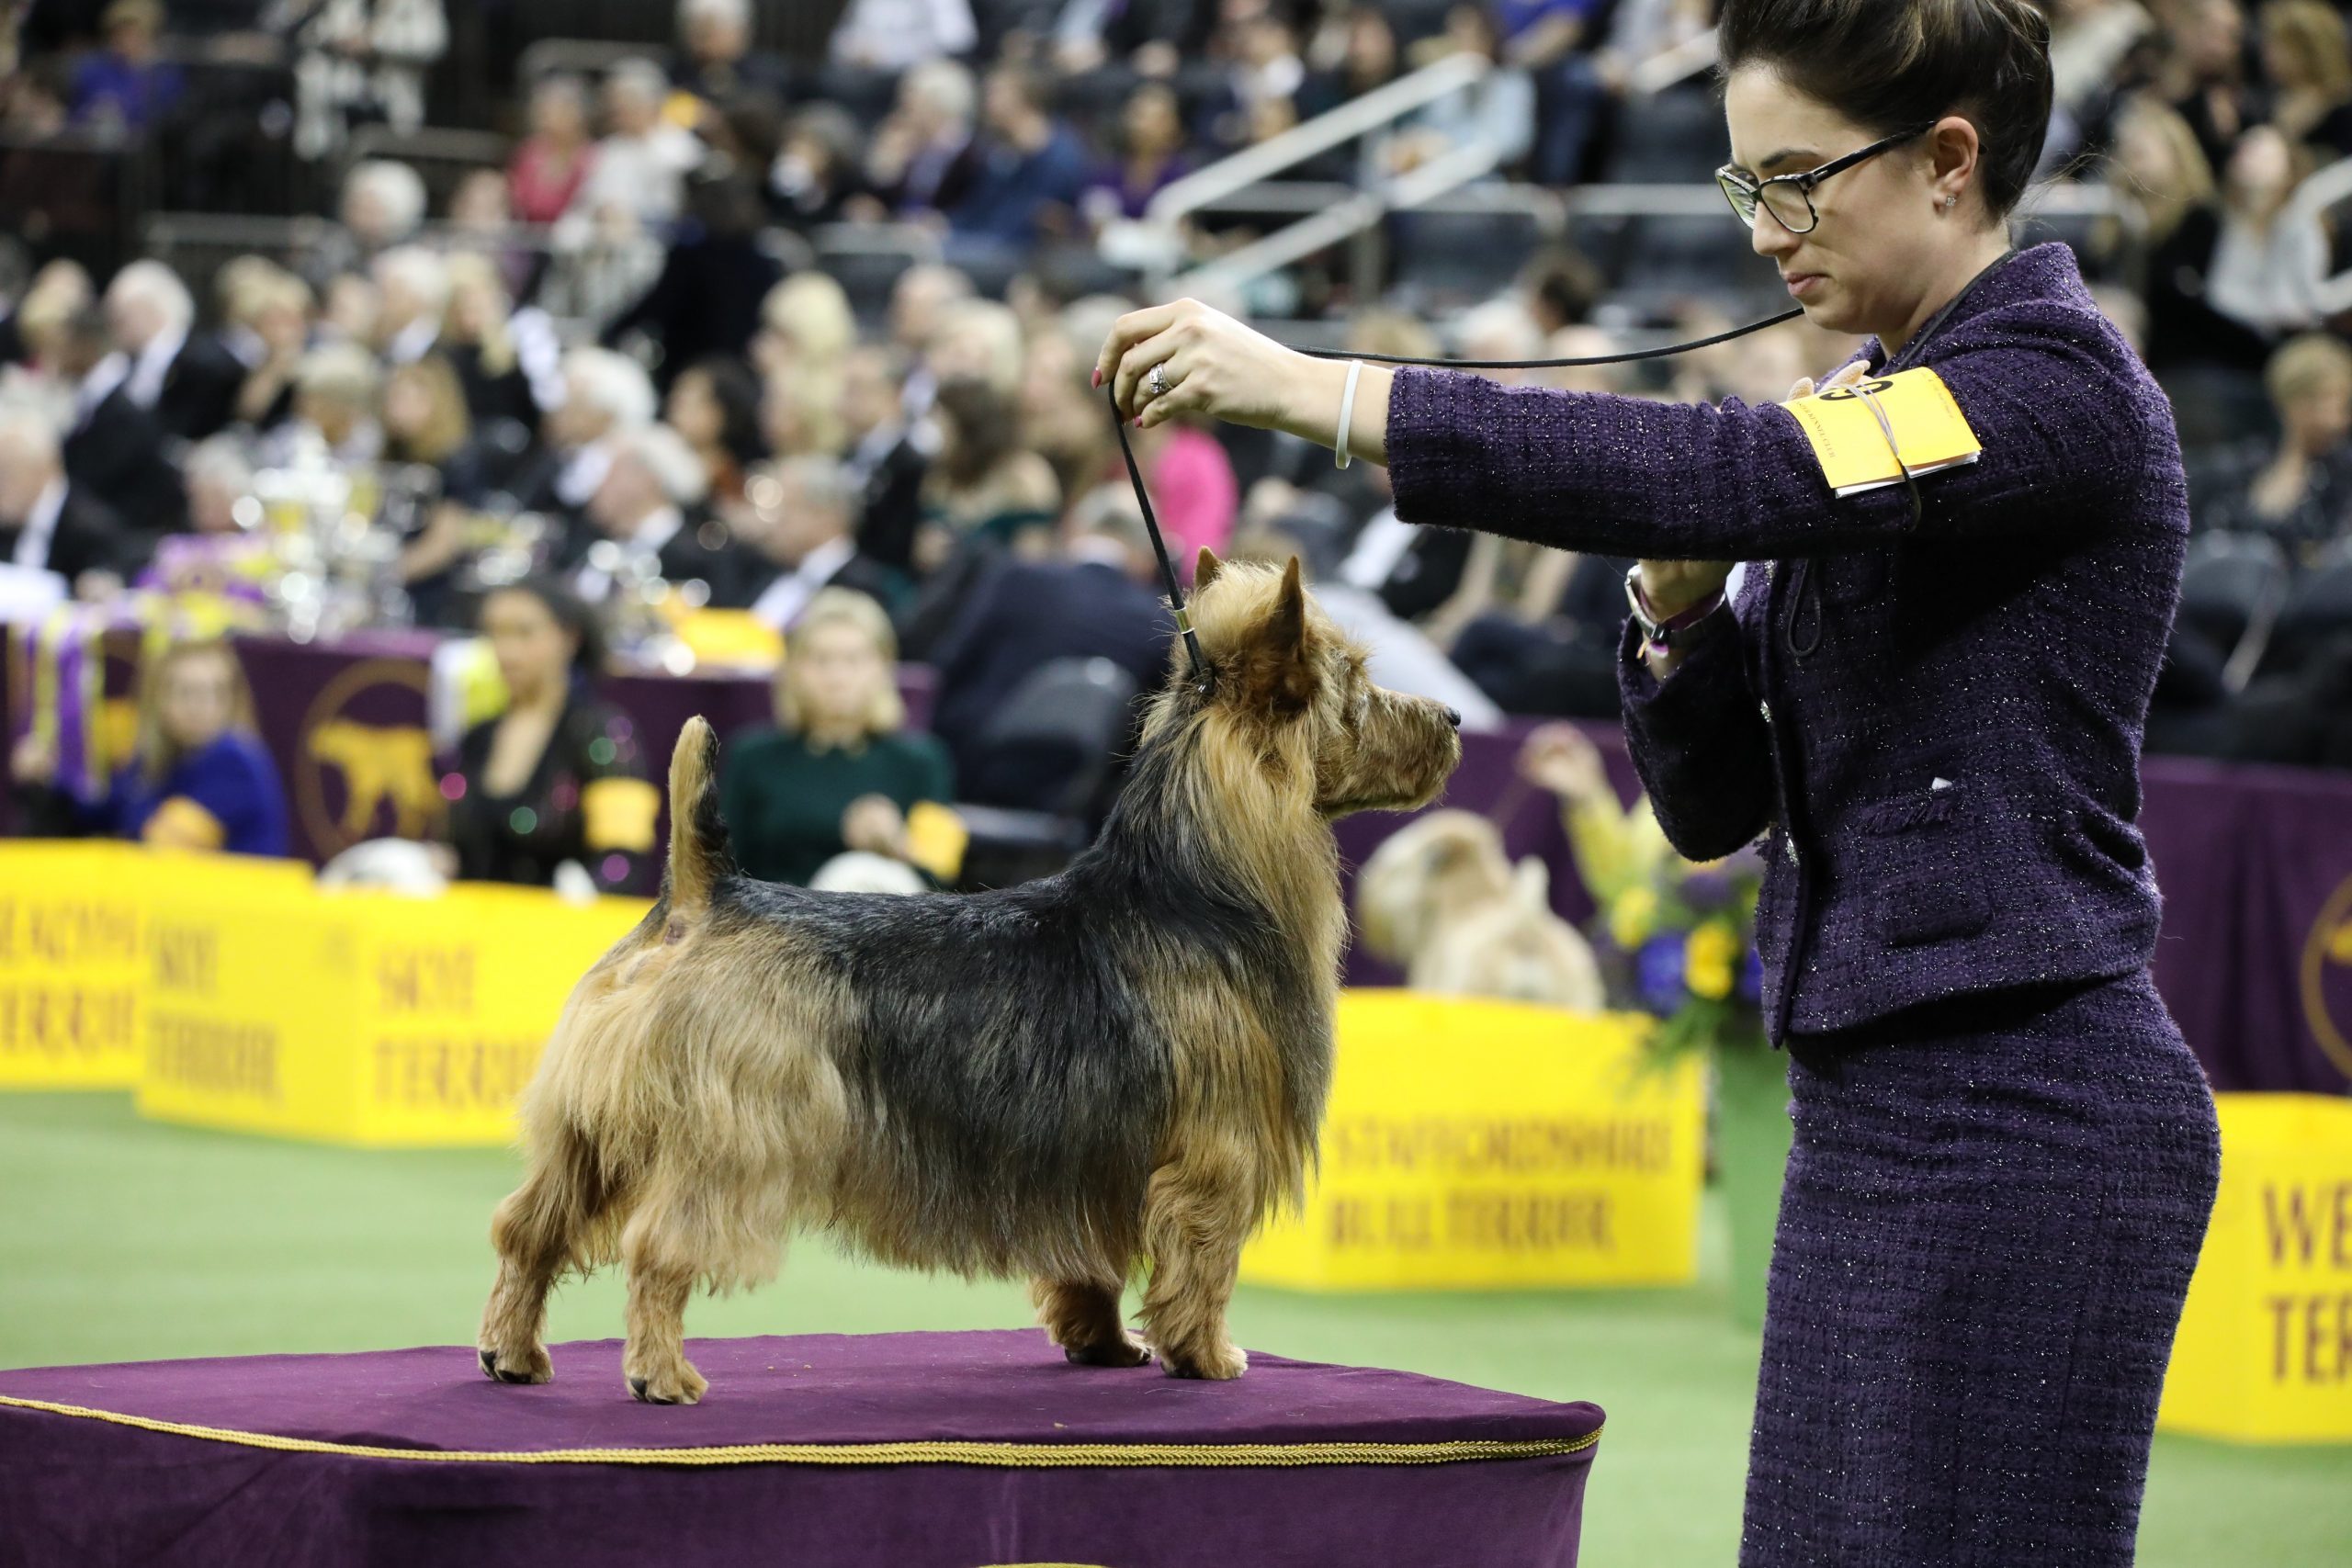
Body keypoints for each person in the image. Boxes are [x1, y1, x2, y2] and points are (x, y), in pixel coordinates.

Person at [1096, 3, 2221, 1561]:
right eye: (1745, 187)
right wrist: (1678, 613)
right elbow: (1709, 809)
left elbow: (1732, 473)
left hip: (2031, 1100)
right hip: (1871, 1100)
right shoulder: (1878, 405)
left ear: (1950, 160)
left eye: (1798, 180)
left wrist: (1324, 392)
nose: (1767, 232)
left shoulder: (2053, 384)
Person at [719, 587, 956, 887]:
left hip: (880, 923)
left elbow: (942, 878)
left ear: (884, 668)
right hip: (777, 922)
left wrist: (896, 843)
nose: (837, 677)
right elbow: (722, 872)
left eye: (854, 660)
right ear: (792, 670)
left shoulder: (922, 761)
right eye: (821, 660)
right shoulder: (753, 756)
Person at [441, 578, 654, 893]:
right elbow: (458, 847)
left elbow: (624, 860)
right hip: (474, 932)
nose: (506, 651)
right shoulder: (478, 736)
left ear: (569, 639)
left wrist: (578, 898)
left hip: (565, 932)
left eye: (524, 633)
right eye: (494, 634)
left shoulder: (603, 732)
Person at [10, 637, 289, 856]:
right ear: (158, 698)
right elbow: (100, 817)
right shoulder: (153, 760)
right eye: (187, 692)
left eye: (216, 692)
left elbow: (157, 843)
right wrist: (46, 780)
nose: (202, 706)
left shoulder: (234, 761)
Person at [2194, 333, 2352, 557]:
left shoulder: (2343, 473)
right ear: (2285, 402)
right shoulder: (2243, 464)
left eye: (2340, 405)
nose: (2332, 419)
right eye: (2314, 402)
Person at [742, 454, 910, 629]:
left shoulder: (864, 589)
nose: (775, 523)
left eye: (785, 510)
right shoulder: (772, 575)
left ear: (826, 516)